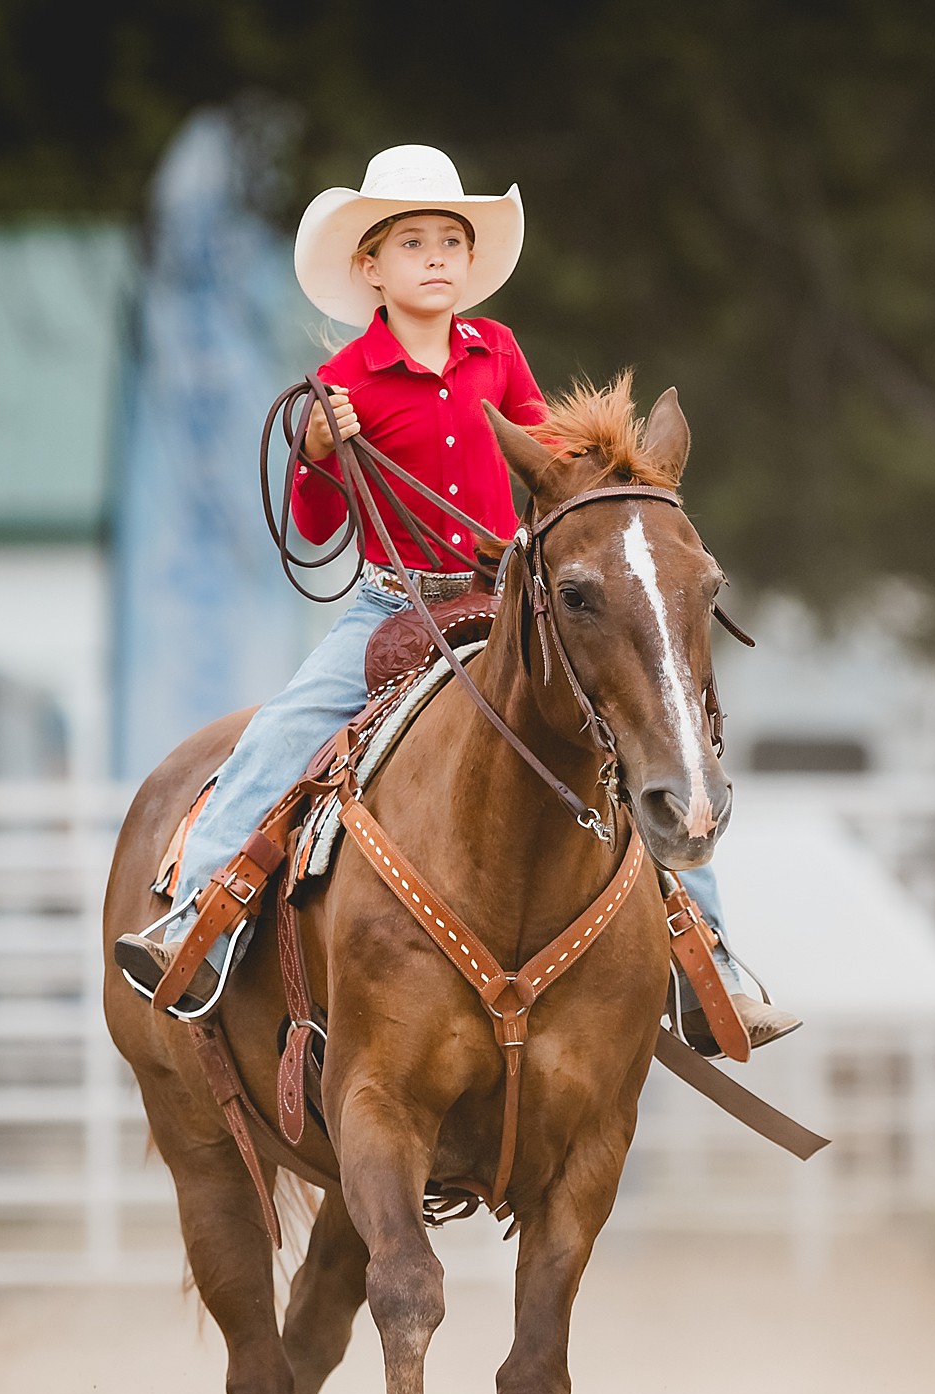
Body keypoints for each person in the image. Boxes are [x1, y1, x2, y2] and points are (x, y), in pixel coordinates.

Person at [114, 144, 799, 1054]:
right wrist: (317, 450)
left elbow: (553, 466)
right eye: (412, 243)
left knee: (639, 734)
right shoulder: (345, 384)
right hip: (388, 603)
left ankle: (702, 961)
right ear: (371, 267)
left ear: (467, 261)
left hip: (504, 596)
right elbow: (315, 528)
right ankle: (196, 921)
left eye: (450, 240)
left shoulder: (498, 353)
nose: (435, 258)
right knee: (281, 733)